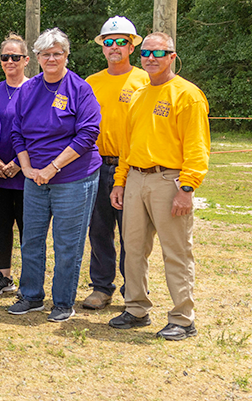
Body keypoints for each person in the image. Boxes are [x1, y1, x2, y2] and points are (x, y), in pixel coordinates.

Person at [108, 32, 210, 341]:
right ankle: (136, 308)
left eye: (159, 52)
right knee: (133, 248)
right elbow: (128, 145)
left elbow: (197, 147)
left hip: (169, 179)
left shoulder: (187, 95)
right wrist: (120, 181)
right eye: (146, 53)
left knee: (176, 251)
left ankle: (183, 318)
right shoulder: (138, 95)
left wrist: (187, 188)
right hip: (136, 178)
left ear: (172, 56)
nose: (151, 58)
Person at [6, 28, 102, 323]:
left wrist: (53, 167)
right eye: (45, 54)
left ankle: (63, 302)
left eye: (57, 53)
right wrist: (26, 168)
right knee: (31, 240)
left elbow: (88, 134)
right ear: (36, 57)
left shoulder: (79, 89)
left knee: (66, 243)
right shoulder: (28, 90)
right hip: (34, 178)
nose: (51, 58)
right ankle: (32, 296)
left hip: (72, 178)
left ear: (66, 56)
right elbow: (17, 132)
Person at [82, 16, 150, 310]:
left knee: (131, 233)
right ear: (102, 47)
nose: (114, 47)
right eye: (108, 42)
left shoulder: (144, 80)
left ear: (132, 46)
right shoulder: (91, 82)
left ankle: (132, 289)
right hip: (95, 164)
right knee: (98, 229)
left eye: (121, 41)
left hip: (131, 167)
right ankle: (101, 286)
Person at [0, 34, 30, 296]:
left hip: (27, 171)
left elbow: (41, 133)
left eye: (15, 57)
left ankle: (29, 279)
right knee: (0, 224)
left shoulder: (36, 88)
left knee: (28, 227)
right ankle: (4, 276)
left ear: (26, 60)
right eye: (5, 57)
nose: (10, 61)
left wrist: (19, 163)